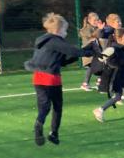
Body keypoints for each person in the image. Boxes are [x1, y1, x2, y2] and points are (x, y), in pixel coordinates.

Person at [24, 13, 82, 146]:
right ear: (58, 30)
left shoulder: (43, 40)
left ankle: (39, 122)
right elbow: (73, 52)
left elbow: (61, 60)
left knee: (44, 106)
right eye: (65, 30)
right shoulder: (56, 41)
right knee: (57, 107)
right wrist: (89, 51)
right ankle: (54, 133)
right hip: (52, 78)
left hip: (37, 77)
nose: (66, 33)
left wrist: (75, 57)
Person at [78, 12, 101, 91]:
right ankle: (85, 84)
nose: (96, 21)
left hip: (95, 52)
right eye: (94, 20)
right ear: (89, 20)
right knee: (91, 67)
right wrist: (99, 29)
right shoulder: (86, 29)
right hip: (88, 52)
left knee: (101, 65)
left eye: (97, 20)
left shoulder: (96, 28)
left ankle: (99, 82)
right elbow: (92, 37)